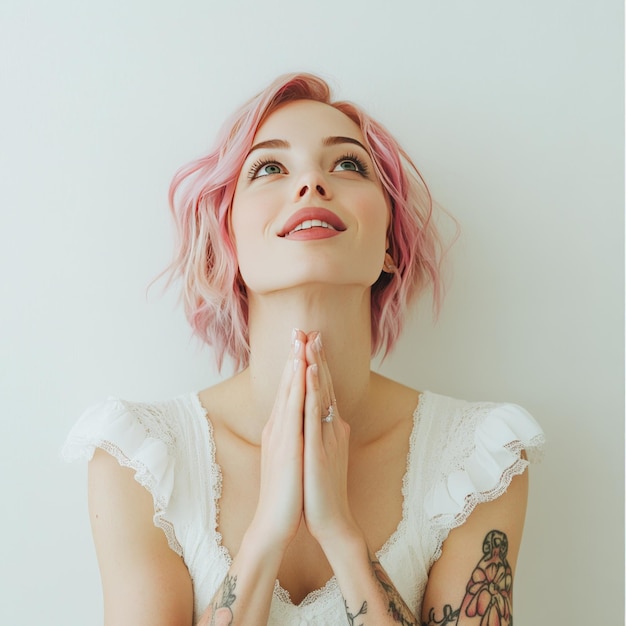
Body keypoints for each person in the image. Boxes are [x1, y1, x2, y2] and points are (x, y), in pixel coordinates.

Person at [63, 73, 544, 625]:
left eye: (347, 164)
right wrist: (267, 529)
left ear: (388, 242)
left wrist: (341, 533)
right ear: (229, 241)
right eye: (270, 168)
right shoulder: (138, 461)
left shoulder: (481, 460)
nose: (312, 181)